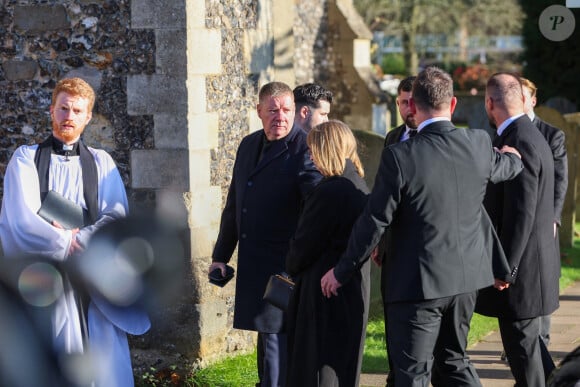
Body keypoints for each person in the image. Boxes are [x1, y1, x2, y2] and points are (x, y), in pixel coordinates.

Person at [320, 66, 524, 386]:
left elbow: (375, 219)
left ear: (412, 106)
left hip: (418, 285)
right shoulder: (478, 143)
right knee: (454, 360)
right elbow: (507, 167)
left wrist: (342, 270)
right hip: (465, 280)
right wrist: (514, 157)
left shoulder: (400, 156)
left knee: (413, 374)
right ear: (453, 104)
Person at [0, 77, 150, 387]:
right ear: (51, 111)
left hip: (93, 278)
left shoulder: (101, 163)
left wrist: (79, 239)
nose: (69, 116)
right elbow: (20, 219)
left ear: (88, 117)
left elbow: (115, 215)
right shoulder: (26, 159)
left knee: (105, 363)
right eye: (63, 108)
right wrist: (66, 240)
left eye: (76, 110)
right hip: (48, 278)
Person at [209, 81, 322, 387]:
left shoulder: (306, 149)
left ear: (296, 112)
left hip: (286, 269)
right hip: (254, 265)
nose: (280, 117)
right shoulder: (248, 145)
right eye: (272, 111)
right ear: (259, 111)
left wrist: (300, 259)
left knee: (275, 343)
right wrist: (220, 256)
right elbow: (235, 206)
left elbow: (317, 209)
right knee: (266, 341)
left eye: (286, 110)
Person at [476, 72, 560, 387]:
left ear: (489, 102)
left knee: (525, 360)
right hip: (533, 267)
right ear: (522, 99)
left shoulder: (518, 141)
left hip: (522, 273)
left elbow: (521, 214)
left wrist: (505, 268)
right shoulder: (528, 133)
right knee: (535, 356)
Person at [284, 120, 370, 387]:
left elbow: (303, 246)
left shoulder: (330, 190)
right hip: (350, 285)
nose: (310, 156)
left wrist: (289, 262)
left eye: (312, 149)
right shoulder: (357, 182)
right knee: (341, 363)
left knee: (318, 369)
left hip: (322, 290)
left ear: (325, 149)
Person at [521, 77, 568, 351]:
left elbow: (560, 180)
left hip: (543, 220)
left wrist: (553, 217)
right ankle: (518, 340)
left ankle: (542, 340)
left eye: (522, 96)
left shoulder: (552, 135)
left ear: (532, 100)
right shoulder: (503, 132)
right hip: (516, 220)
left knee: (543, 281)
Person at [377, 74, 417, 386]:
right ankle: (396, 375)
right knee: (393, 318)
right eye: (403, 102)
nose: (408, 109)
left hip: (422, 249)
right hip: (392, 248)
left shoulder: (434, 139)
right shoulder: (392, 138)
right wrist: (379, 238)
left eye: (413, 102)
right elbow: (384, 194)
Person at [384, 75, 418, 146]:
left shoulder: (437, 138)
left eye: (415, 102)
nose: (410, 108)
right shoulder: (391, 137)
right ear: (398, 103)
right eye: (405, 102)